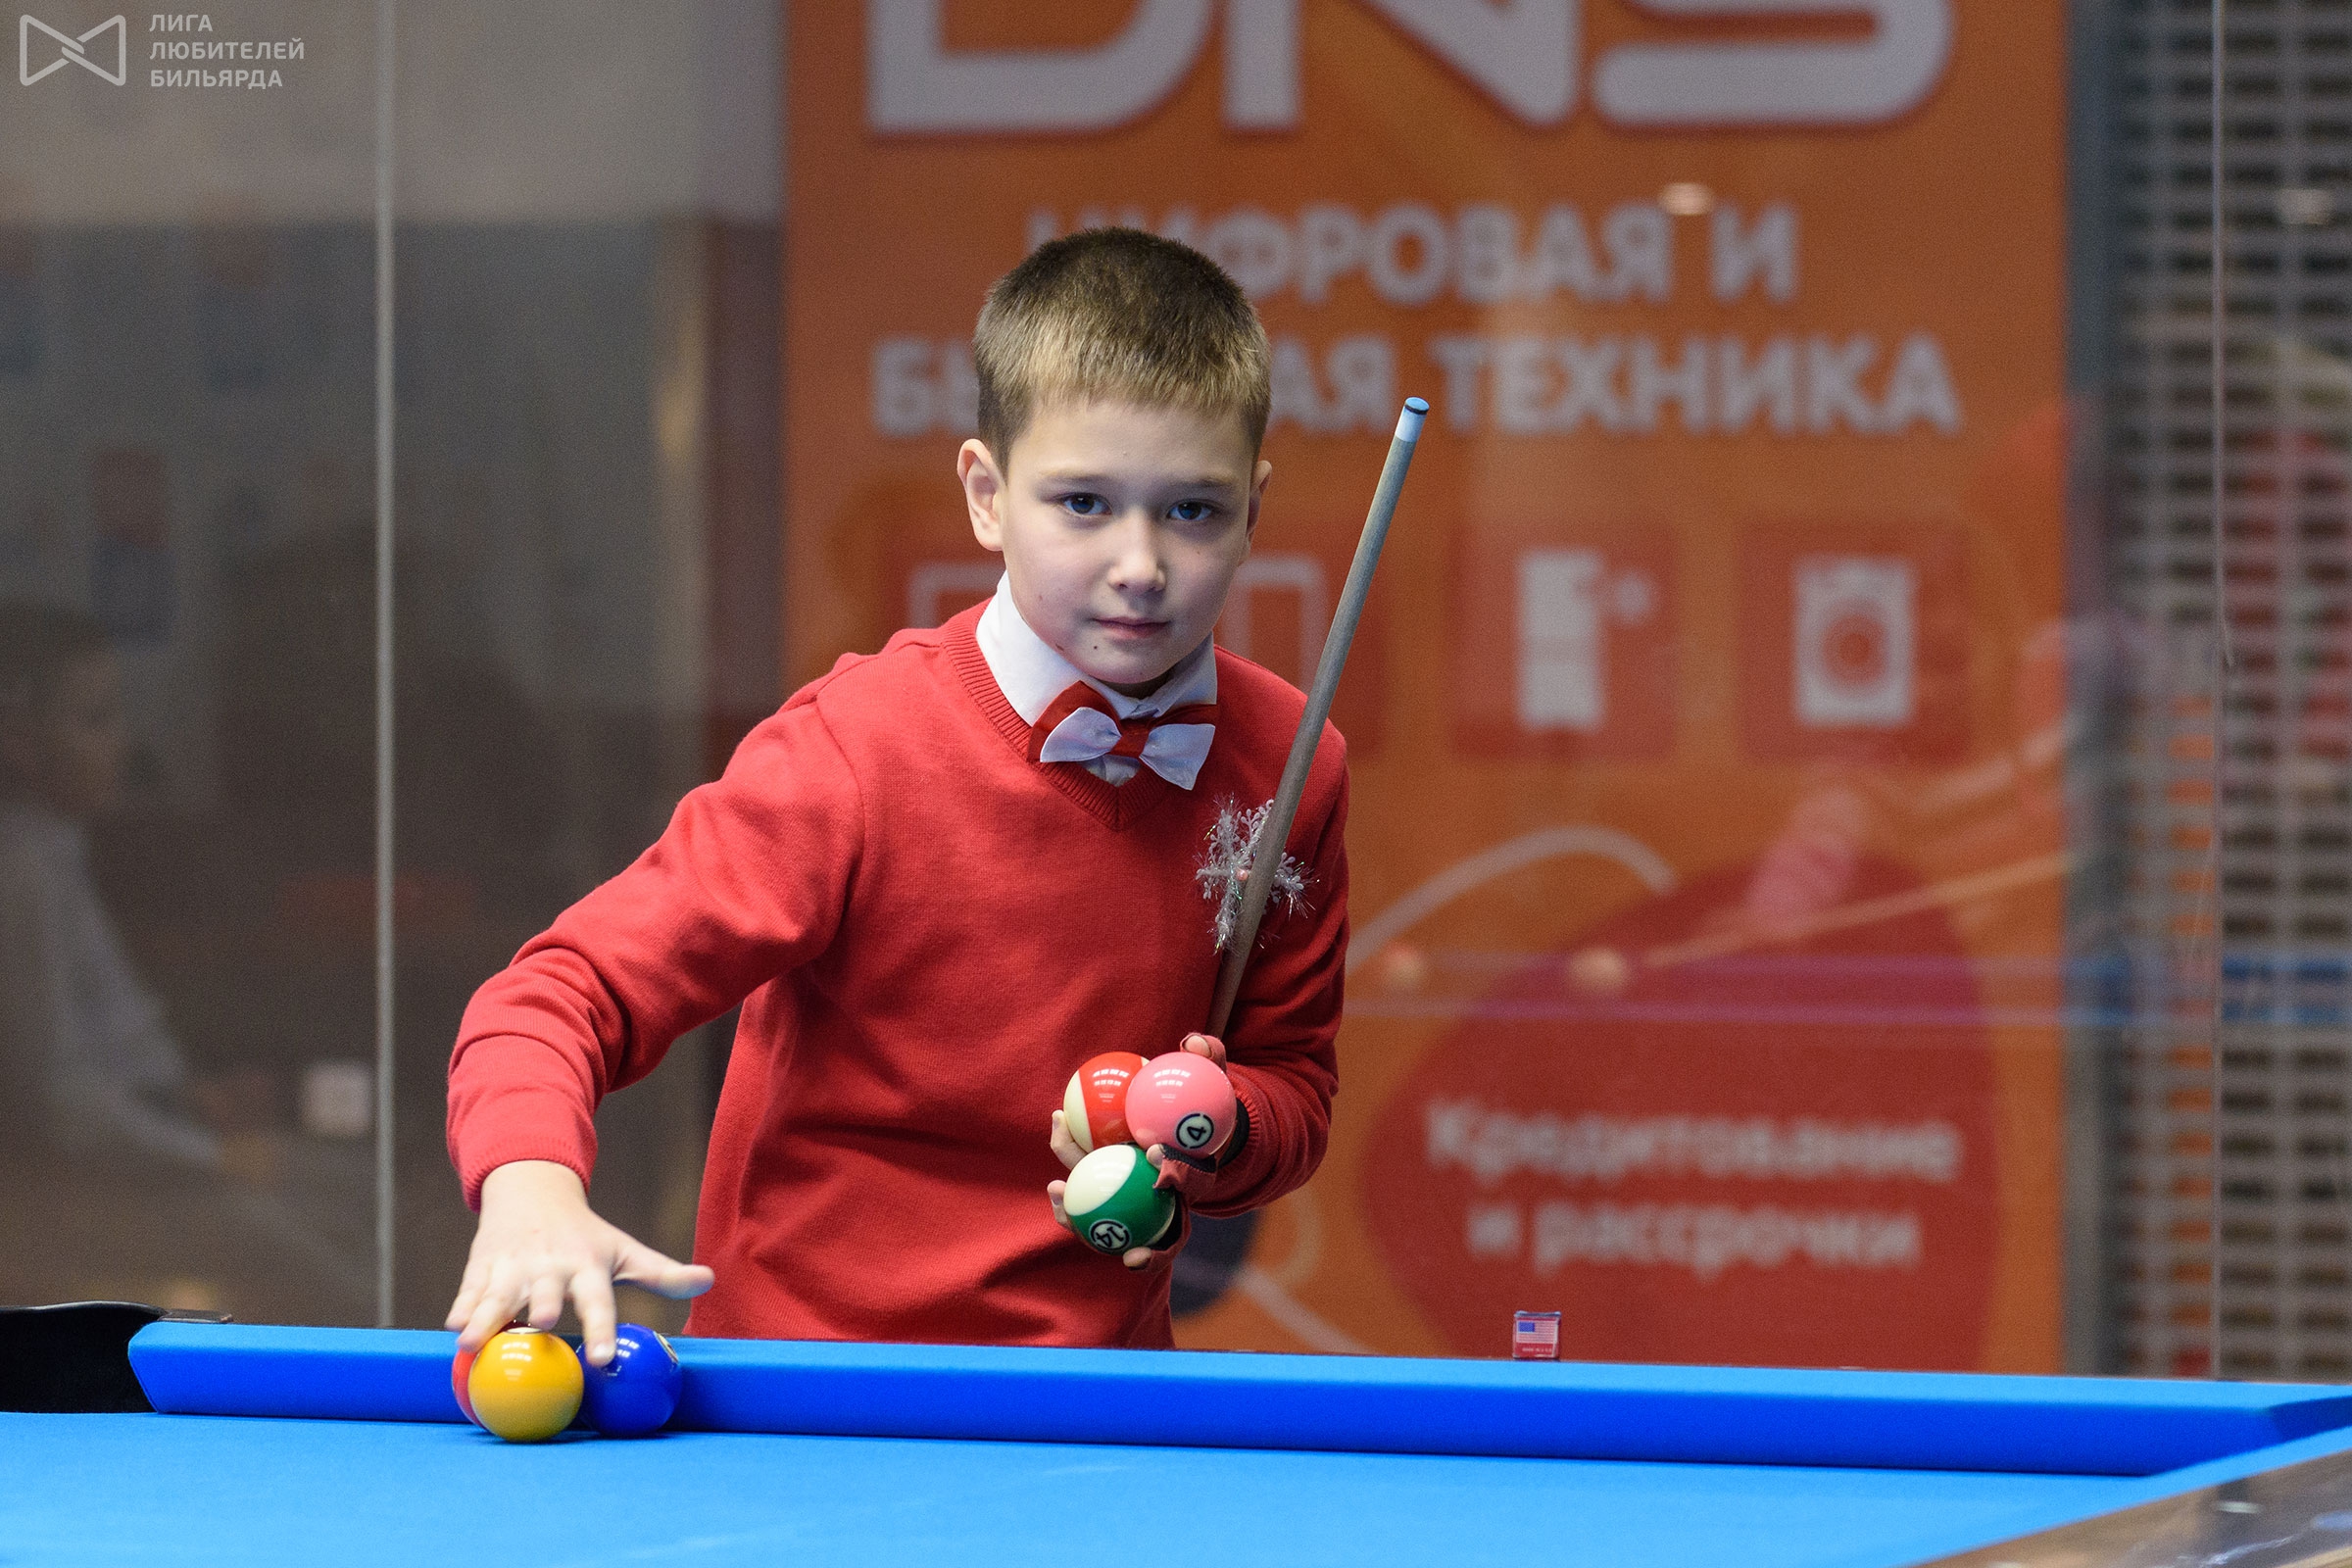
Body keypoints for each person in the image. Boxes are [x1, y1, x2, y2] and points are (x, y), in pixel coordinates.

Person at [445, 229, 1348, 1362]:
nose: (1140, 564)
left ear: (1253, 508)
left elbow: (1293, 1089)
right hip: (803, 1399)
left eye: (1193, 510)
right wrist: (530, 1188)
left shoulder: (1293, 763)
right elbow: (557, 995)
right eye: (1082, 502)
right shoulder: (856, 748)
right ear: (986, 496)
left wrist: (1214, 1124)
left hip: (1096, 1406)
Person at [0, 601, 218, 1171]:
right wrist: (211, 1158)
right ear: (18, 743)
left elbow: (112, 1039)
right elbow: (58, 1102)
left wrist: (194, 1099)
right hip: (102, 1174)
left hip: (152, 1126)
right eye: (96, 720)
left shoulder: (55, 843)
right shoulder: (22, 868)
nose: (121, 743)